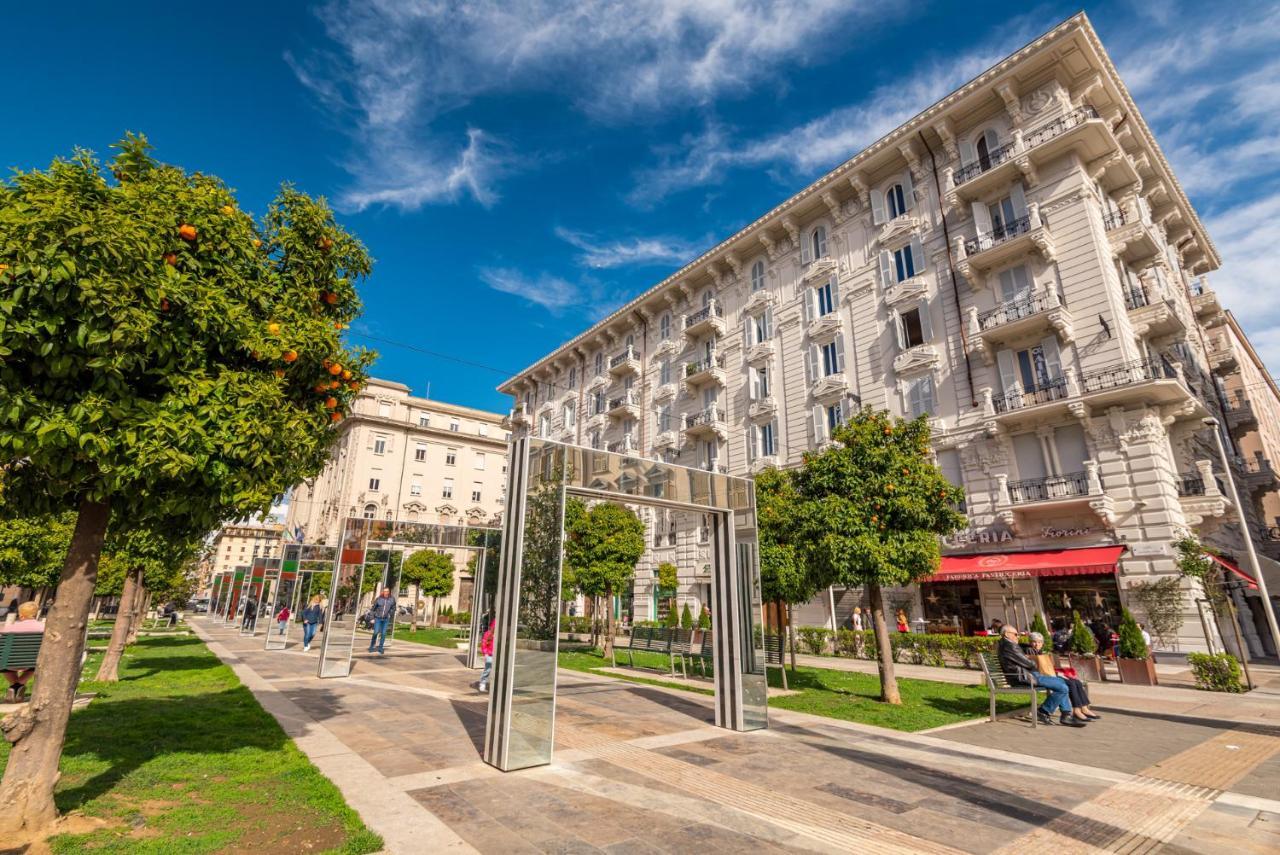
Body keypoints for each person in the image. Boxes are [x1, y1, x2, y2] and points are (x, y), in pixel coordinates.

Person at [997, 625, 1084, 727]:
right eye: (1016, 634)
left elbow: (1025, 662)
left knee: (1062, 684)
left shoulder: (1008, 645)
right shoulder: (1009, 646)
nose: (1018, 636)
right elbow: (1029, 664)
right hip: (1023, 677)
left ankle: (1063, 714)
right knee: (1062, 686)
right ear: (1007, 634)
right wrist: (1034, 663)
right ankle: (1047, 712)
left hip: (1025, 675)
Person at [1025, 631, 1100, 722]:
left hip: (1049, 675)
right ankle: (1076, 710)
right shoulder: (1029, 651)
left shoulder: (1041, 652)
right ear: (1030, 642)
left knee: (1076, 682)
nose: (1037, 644)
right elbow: (1036, 668)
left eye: (1039, 642)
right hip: (1041, 677)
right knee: (1070, 684)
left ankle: (1084, 708)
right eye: (1034, 641)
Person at [1, 602, 44, 703]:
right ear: (35, 614)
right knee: (38, 663)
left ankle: (14, 686)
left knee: (6, 664)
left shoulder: (9, 629)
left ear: (21, 615)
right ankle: (19, 684)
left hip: (7, 664)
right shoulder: (43, 628)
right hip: (32, 663)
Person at [367, 587, 396, 655]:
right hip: (378, 618)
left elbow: (394, 608)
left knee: (383, 634)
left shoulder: (392, 599)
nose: (386, 592)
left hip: (386, 619)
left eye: (387, 591)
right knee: (376, 632)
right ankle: (371, 646)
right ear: (383, 592)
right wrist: (372, 618)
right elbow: (373, 609)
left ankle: (380, 648)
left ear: (389, 592)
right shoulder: (379, 599)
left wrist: (389, 614)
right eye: (385, 591)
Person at [477, 613, 495, 693]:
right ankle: (483, 682)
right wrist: (486, 654)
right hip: (489, 655)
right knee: (487, 669)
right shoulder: (488, 634)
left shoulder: (501, 635)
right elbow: (484, 644)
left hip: (497, 655)